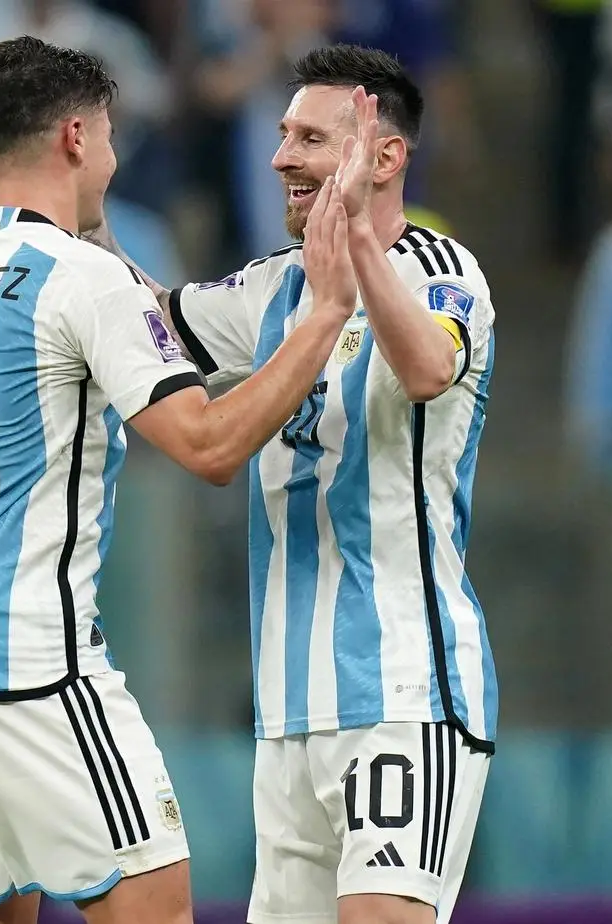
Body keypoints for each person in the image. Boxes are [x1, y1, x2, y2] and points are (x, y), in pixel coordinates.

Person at [0, 36, 359, 924]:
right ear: (72, 136)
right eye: (107, 131)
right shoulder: (84, 277)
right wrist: (324, 314)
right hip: (28, 646)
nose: (113, 151)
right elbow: (208, 447)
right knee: (155, 903)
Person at [86, 43, 497, 924]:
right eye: (282, 136)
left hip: (405, 692)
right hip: (287, 711)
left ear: (383, 156)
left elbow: (426, 367)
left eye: (311, 138)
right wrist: (84, 224)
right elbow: (150, 319)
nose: (281, 158)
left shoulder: (447, 275)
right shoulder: (270, 289)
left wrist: (351, 244)